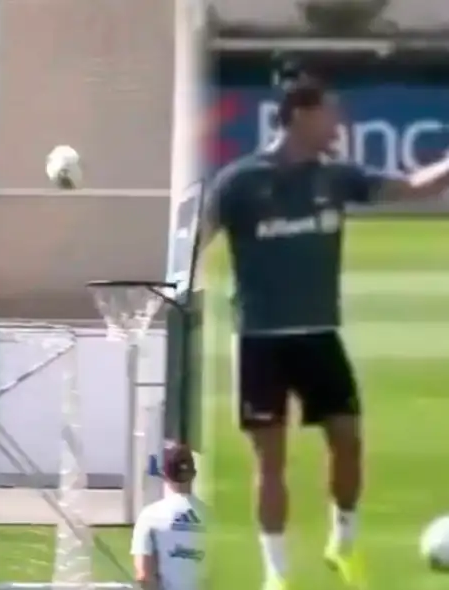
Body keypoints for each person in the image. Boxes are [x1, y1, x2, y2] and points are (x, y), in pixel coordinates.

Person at [202, 79, 449, 590]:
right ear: (299, 116)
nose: (340, 126)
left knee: (349, 440)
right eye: (331, 116)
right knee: (270, 461)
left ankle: (344, 542)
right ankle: (278, 573)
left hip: (319, 335)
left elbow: (413, 188)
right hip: (261, 340)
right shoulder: (238, 184)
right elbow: (193, 241)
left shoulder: (336, 177)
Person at [130, 442, 205, 590]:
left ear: (164, 473)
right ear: (194, 474)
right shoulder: (216, 518)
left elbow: (144, 575)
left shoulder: (150, 516)